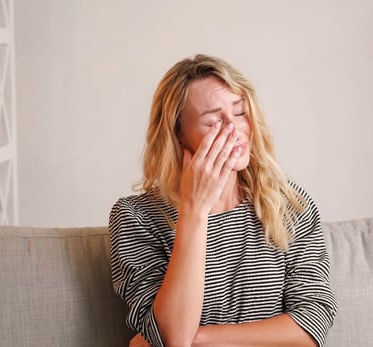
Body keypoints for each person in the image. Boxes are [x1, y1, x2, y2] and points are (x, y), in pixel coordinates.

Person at [109, 54, 337, 347]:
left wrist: (200, 338)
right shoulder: (135, 217)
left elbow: (313, 323)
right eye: (213, 121)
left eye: (239, 112)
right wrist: (195, 211)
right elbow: (172, 336)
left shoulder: (289, 204)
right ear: (179, 136)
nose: (234, 129)